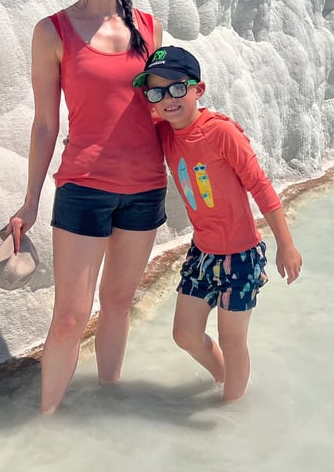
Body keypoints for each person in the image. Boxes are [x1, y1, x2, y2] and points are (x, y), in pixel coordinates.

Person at [6, 0, 165, 415]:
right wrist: (30, 201)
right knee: (70, 318)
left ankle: (107, 409)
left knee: (118, 304)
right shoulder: (52, 31)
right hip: (84, 187)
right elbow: (45, 124)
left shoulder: (149, 28)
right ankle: (46, 426)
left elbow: (162, 111)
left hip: (146, 188)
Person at [132, 45, 302, 403]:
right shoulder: (164, 133)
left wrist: (286, 245)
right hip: (202, 254)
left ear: (198, 89)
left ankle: (232, 411)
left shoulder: (221, 132)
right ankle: (225, 379)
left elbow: (260, 186)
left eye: (177, 87)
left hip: (240, 256)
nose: (168, 99)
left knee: (232, 339)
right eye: (157, 92)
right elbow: (124, 126)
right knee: (184, 335)